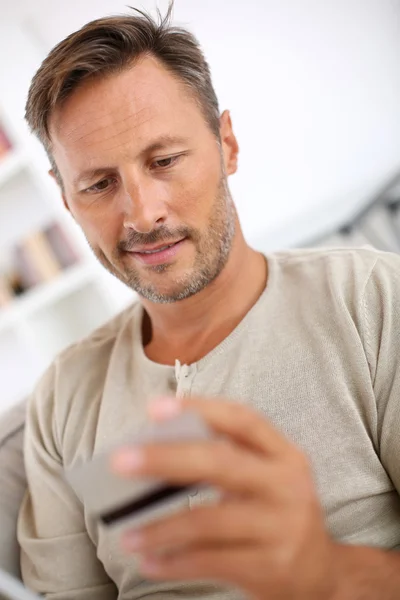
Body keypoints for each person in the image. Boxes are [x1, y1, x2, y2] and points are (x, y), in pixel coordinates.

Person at [17, 2, 400, 599]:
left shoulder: (373, 301)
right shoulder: (65, 400)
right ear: (67, 202)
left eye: (164, 160)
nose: (143, 214)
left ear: (227, 144)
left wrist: (327, 572)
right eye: (98, 184)